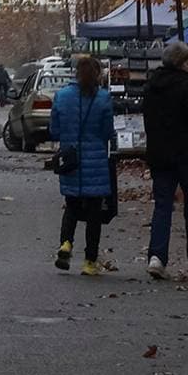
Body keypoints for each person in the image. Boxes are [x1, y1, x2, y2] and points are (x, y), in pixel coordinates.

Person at [143, 41, 188, 279]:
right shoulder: (187, 87)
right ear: (182, 63)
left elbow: (148, 123)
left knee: (163, 205)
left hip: (160, 155)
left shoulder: (151, 86)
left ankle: (157, 257)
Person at [51, 56, 117, 277]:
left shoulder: (61, 97)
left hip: (71, 160)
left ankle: (66, 243)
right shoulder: (103, 99)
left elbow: (54, 130)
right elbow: (108, 132)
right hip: (95, 161)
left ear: (76, 73)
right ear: (97, 74)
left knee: (71, 206)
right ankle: (90, 261)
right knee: (93, 214)